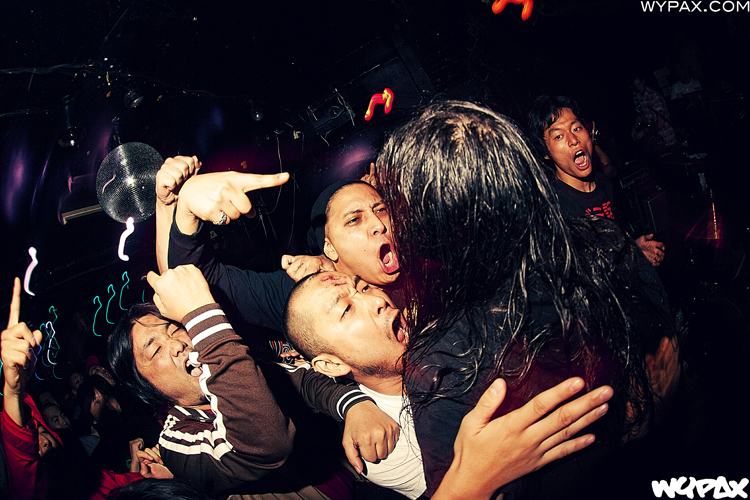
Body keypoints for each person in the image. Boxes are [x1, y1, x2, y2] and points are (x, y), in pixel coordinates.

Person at [373, 101, 680, 498]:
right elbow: (667, 371)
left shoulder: (442, 363)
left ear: (422, 226)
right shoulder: (605, 243)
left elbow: (664, 368)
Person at [284, 270, 614, 499]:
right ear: (332, 365)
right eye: (346, 308)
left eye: (364, 288)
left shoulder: (449, 328)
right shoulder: (380, 446)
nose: (376, 301)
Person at [107, 265, 400, 498]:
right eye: (155, 350)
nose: (176, 344)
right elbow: (263, 444)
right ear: (145, 385)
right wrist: (203, 315)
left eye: (174, 329)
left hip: (357, 477)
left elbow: (305, 382)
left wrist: (354, 405)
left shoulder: (247, 369)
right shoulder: (176, 442)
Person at [155, 158, 400, 358]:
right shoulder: (305, 298)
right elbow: (187, 284)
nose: (378, 224)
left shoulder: (417, 255)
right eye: (354, 219)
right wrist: (181, 208)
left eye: (380, 209)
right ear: (330, 248)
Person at [1, 278, 145, 500]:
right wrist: (13, 391)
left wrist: (138, 468)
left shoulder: (90, 477)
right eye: (34, 443)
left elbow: (126, 486)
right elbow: (20, 449)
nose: (43, 442)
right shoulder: (38, 491)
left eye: (43, 433)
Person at [527, 95, 667, 267]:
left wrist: (633, 246)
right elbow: (580, 271)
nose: (573, 140)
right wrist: (633, 257)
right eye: (558, 136)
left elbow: (611, 243)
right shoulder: (554, 207)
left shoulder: (603, 183)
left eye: (576, 128)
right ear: (545, 152)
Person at [630, 75, 679, 154]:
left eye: (639, 84)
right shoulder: (637, 97)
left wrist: (644, 132)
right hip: (654, 140)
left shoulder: (655, 96)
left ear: (643, 81)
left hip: (666, 137)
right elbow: (641, 114)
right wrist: (635, 127)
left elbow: (660, 123)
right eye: (636, 86)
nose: (639, 88)